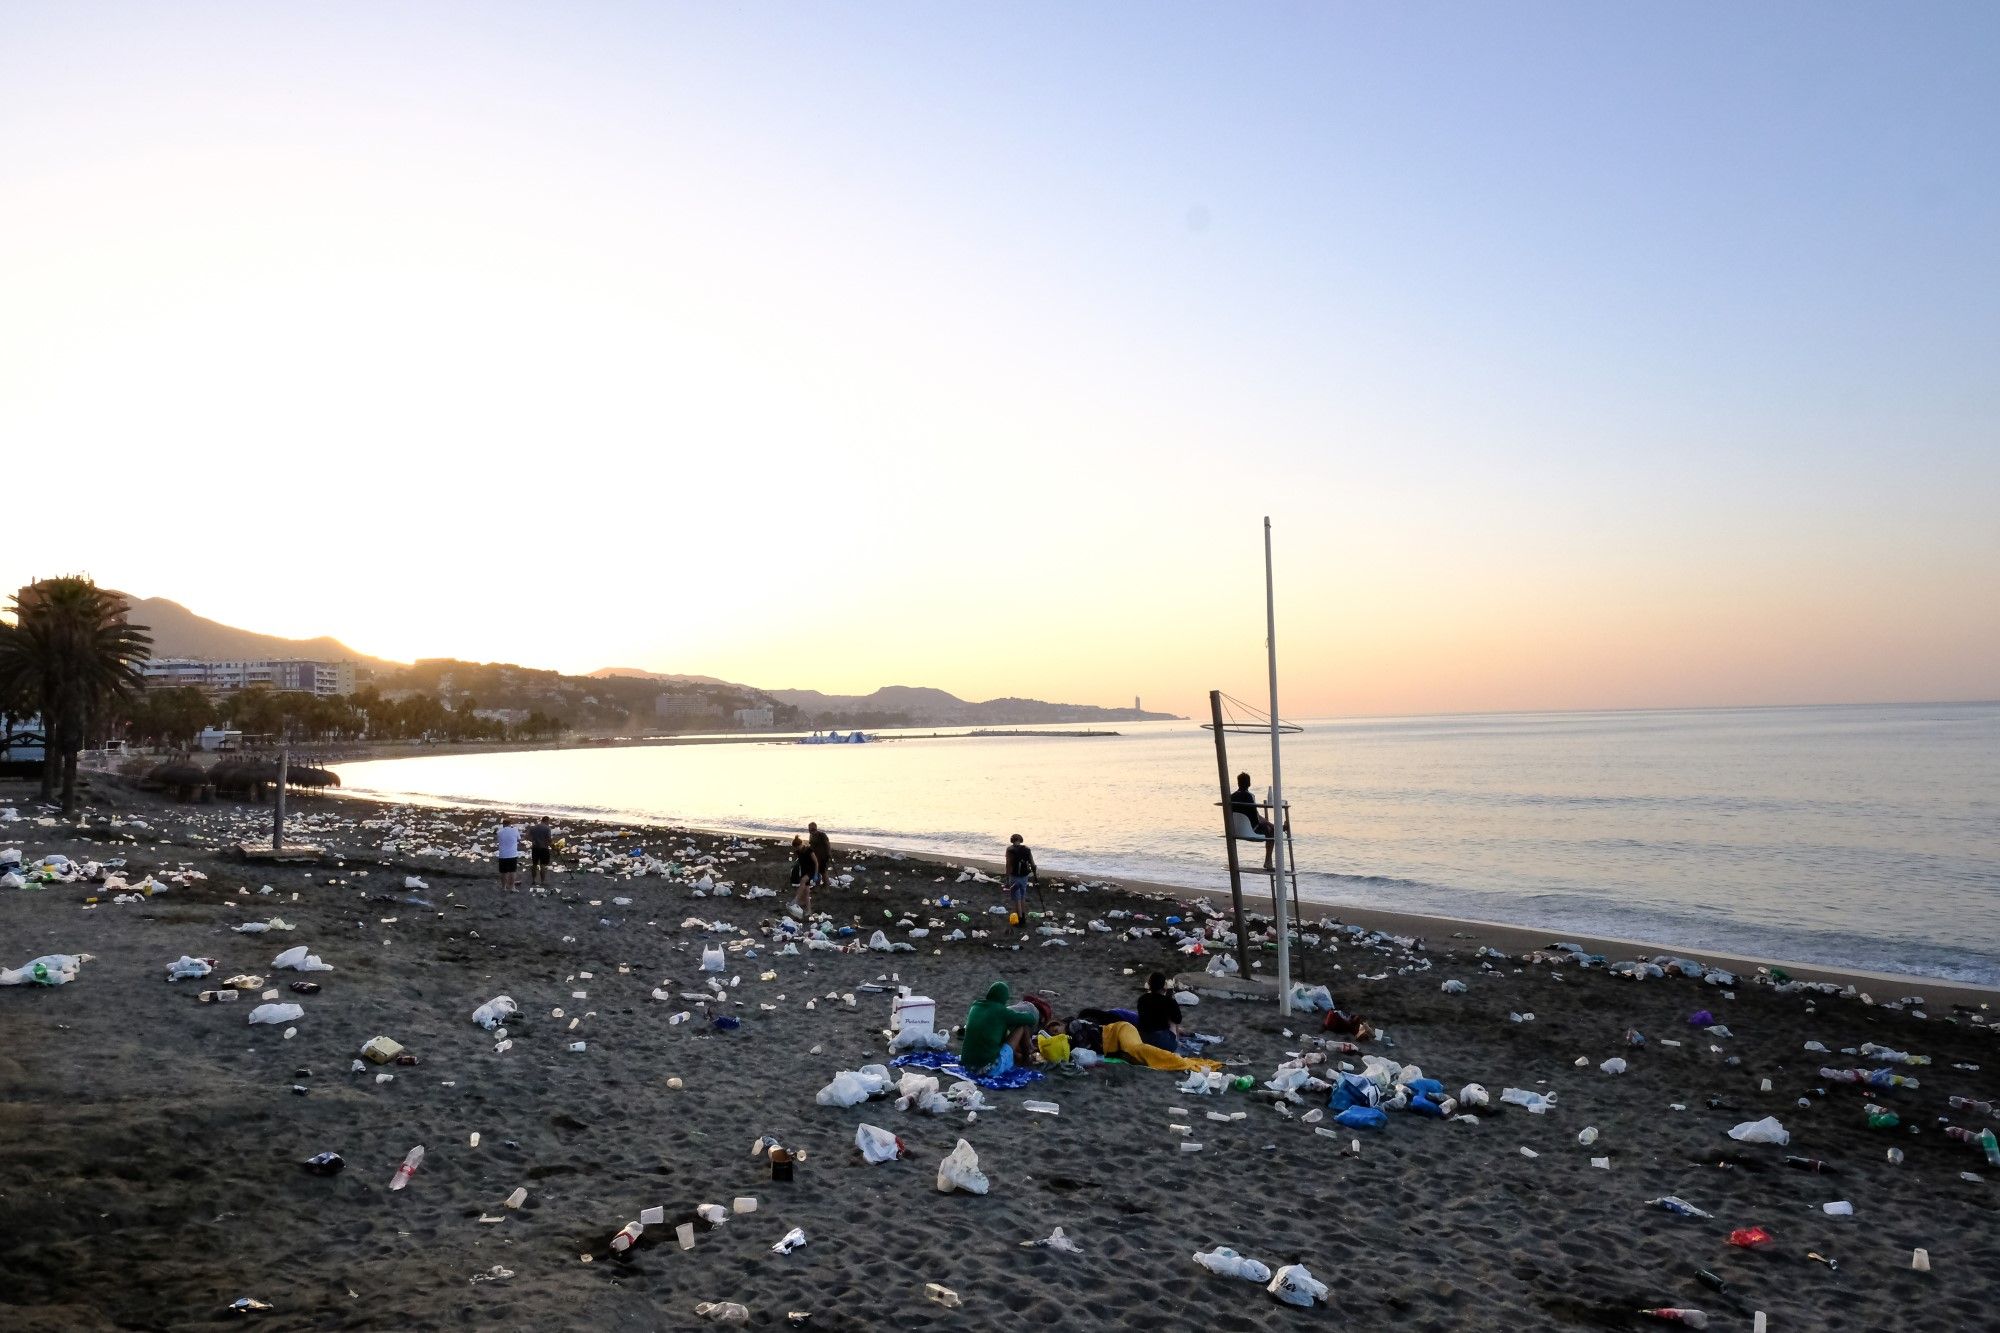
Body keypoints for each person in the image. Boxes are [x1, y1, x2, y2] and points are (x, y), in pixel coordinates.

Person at [958, 980, 1039, 1077]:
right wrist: (1025, 1013)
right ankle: (1026, 1060)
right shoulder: (1002, 1012)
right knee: (1022, 1026)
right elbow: (1031, 1019)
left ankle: (1021, 1057)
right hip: (989, 1069)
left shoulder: (975, 1006)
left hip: (967, 1066)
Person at [1231, 772, 1278, 868]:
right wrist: (1270, 824)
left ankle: (1277, 827)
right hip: (1251, 830)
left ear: (1238, 783)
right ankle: (1268, 861)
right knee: (1271, 830)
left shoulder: (1232, 796)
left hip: (1236, 830)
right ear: (1249, 784)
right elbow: (1256, 817)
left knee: (1268, 825)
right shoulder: (1249, 796)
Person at [1135, 971, 1184, 1053]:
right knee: (1173, 1021)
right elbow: (1178, 1020)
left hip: (1142, 1039)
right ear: (1164, 986)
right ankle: (1176, 1042)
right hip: (1162, 1044)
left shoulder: (1142, 999)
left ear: (1149, 985)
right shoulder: (1169, 1001)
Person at [1003, 833, 1036, 922]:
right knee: (1022, 896)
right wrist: (1034, 872)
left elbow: (1008, 865)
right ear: (1020, 840)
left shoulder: (1009, 850)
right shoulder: (1027, 849)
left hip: (1014, 876)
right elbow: (1033, 864)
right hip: (1024, 876)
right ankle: (1023, 916)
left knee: (1016, 897)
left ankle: (1020, 918)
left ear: (1012, 840)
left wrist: (1007, 878)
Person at [787, 835, 816, 918]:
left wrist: (816, 874)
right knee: (806, 892)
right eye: (795, 848)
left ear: (800, 844)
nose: (796, 849)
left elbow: (816, 862)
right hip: (804, 871)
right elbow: (800, 862)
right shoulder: (798, 852)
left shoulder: (809, 850)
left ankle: (796, 900)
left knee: (803, 881)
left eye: (797, 847)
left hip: (811, 870)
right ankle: (809, 911)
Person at [525, 815, 554, 888]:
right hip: (544, 848)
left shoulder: (533, 827)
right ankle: (542, 881)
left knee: (534, 864)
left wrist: (532, 841)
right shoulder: (547, 828)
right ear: (547, 821)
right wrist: (553, 846)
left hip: (535, 847)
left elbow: (526, 836)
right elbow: (549, 839)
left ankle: (533, 880)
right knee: (543, 865)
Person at [495, 815, 522, 891]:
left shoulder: (499, 832)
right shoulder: (515, 830)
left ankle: (504, 887)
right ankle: (512, 887)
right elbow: (519, 839)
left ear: (503, 824)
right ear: (510, 824)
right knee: (512, 871)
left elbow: (498, 841)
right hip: (512, 854)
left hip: (503, 854)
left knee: (503, 872)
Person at [807, 821, 831, 886]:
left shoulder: (822, 835)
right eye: (810, 829)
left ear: (816, 828)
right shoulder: (811, 835)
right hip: (816, 856)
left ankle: (827, 884)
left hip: (823, 856)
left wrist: (828, 853)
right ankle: (818, 883)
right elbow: (811, 845)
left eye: (813, 829)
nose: (811, 831)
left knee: (823, 871)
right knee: (816, 870)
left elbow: (827, 844)